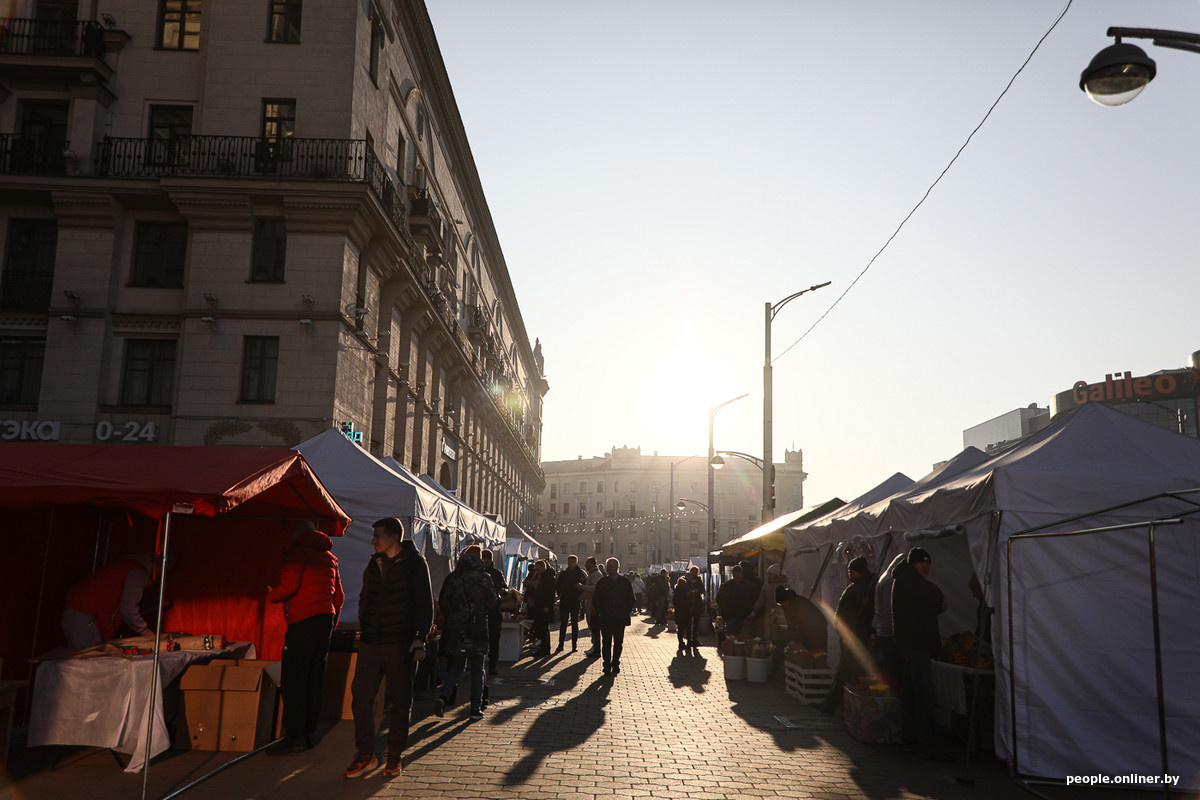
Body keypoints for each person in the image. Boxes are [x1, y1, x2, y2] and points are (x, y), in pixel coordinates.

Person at [344, 517, 433, 780]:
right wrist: (366, 625)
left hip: (399, 643)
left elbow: (424, 602)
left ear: (394, 537)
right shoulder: (374, 564)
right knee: (360, 698)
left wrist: (419, 637)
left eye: (378, 536)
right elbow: (365, 597)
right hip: (372, 642)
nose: (373, 541)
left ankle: (394, 755)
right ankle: (365, 754)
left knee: (401, 701)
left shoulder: (416, 564)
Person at [266, 521, 344, 755]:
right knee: (314, 677)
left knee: (294, 679)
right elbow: (339, 595)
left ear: (297, 535)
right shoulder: (330, 557)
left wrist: (272, 595)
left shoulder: (298, 554)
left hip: (303, 620)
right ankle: (309, 731)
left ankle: (295, 735)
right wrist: (332, 623)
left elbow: (288, 587)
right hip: (324, 621)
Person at [891, 547, 948, 760]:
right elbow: (938, 599)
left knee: (910, 694)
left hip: (909, 645)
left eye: (929, 564)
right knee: (923, 696)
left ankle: (910, 739)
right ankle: (927, 744)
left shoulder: (904, 579)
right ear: (913, 563)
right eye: (923, 563)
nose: (927, 567)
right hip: (915, 646)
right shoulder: (909, 580)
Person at [434, 547, 499, 722]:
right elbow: (493, 603)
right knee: (478, 668)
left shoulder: (454, 578)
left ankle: (443, 696)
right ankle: (475, 709)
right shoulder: (484, 578)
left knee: (457, 666)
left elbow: (444, 602)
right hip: (476, 628)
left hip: (456, 629)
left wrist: (454, 617)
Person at [61, 552, 157, 650]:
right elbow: (128, 610)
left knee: (83, 662)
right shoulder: (137, 572)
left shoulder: (125, 565)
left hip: (76, 614)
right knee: (90, 663)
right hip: (86, 619)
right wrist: (145, 632)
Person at [818, 556, 876, 714]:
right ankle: (846, 705)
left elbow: (868, 613)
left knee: (846, 671)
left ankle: (833, 704)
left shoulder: (867, 588)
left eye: (853, 570)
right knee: (850, 672)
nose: (849, 572)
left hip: (856, 637)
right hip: (849, 635)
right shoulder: (857, 587)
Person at [591, 557, 635, 674]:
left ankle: (615, 663)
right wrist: (601, 610)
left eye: (612, 566)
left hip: (620, 617)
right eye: (608, 566)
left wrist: (626, 610)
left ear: (617, 567)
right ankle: (606, 664)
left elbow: (631, 599)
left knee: (618, 642)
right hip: (606, 617)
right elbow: (596, 599)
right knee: (606, 642)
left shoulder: (625, 582)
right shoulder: (602, 582)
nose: (609, 568)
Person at [873, 552, 906, 683]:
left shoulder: (885, 577)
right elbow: (889, 610)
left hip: (884, 631)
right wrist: (897, 632)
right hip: (888, 633)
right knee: (893, 669)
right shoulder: (890, 581)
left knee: (889, 668)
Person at [480, 549, 508, 676]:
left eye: (488, 558)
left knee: (494, 637)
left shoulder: (497, 573)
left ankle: (492, 664)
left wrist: (501, 591)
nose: (486, 560)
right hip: (479, 609)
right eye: (484, 558)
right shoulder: (477, 573)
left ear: (491, 560)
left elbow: (504, 588)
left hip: (494, 609)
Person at [746, 563, 788, 637]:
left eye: (771, 574)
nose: (769, 576)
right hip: (768, 615)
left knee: (781, 635)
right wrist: (754, 612)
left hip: (782, 616)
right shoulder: (766, 586)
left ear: (777, 575)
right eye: (768, 574)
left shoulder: (786, 586)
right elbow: (760, 601)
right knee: (768, 635)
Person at [555, 555, 586, 652]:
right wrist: (560, 594)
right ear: (567, 562)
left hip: (575, 601)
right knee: (563, 623)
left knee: (574, 624)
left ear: (576, 562)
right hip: (565, 600)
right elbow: (558, 585)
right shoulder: (564, 574)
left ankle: (574, 644)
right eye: (570, 561)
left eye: (573, 561)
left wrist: (582, 596)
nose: (571, 563)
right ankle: (561, 644)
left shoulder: (580, 573)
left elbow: (585, 585)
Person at [715, 565, 757, 637]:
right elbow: (719, 598)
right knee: (730, 637)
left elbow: (755, 598)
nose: (737, 576)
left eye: (739, 574)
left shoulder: (749, 586)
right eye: (735, 574)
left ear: (742, 574)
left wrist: (750, 609)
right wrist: (725, 608)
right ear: (733, 574)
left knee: (744, 637)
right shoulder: (727, 586)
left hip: (744, 616)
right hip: (731, 616)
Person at [526, 559, 557, 657]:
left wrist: (547, 606)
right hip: (540, 605)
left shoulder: (548, 578)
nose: (536, 571)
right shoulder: (542, 577)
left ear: (543, 568)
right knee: (541, 628)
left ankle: (544, 650)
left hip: (544, 606)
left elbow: (549, 594)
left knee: (543, 629)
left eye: (538, 569)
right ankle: (544, 649)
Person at [581, 556, 603, 657]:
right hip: (590, 602)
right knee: (591, 625)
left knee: (594, 626)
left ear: (592, 564)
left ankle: (596, 647)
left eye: (587, 563)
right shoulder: (593, 573)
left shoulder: (596, 574)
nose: (585, 565)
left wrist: (583, 587)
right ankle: (594, 646)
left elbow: (595, 588)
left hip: (594, 604)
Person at [672, 576, 695, 655]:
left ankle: (681, 643)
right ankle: (688, 642)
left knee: (680, 629)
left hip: (678, 613)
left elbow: (675, 603)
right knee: (688, 628)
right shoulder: (683, 593)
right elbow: (686, 603)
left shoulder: (676, 592)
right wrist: (690, 605)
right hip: (685, 613)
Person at [685, 566, 706, 647]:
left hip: (696, 603)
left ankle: (694, 639)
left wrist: (696, 590)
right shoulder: (685, 580)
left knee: (696, 623)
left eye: (695, 572)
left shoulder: (698, 581)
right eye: (692, 571)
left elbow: (702, 590)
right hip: (688, 603)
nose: (693, 573)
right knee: (688, 622)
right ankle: (688, 639)